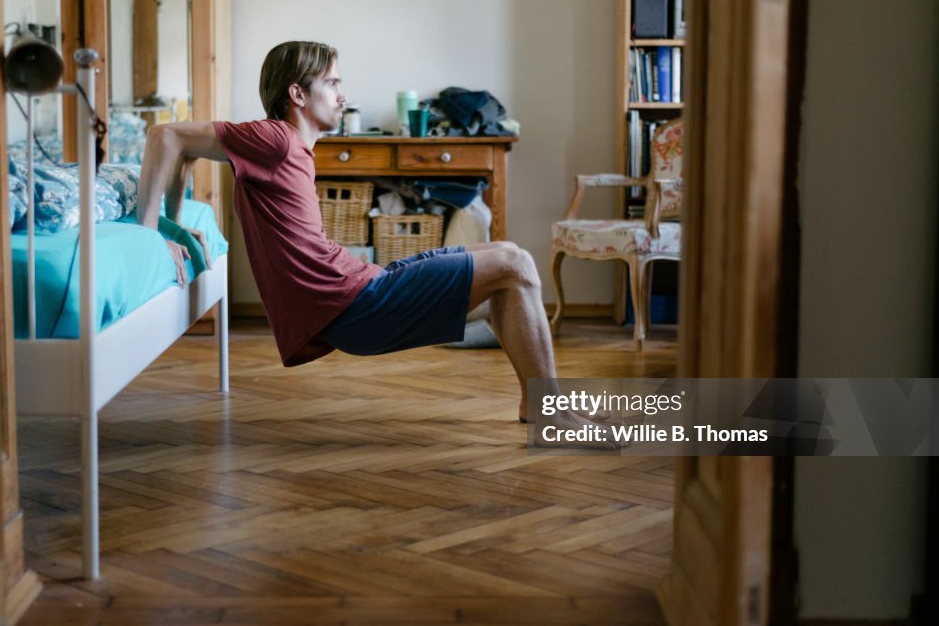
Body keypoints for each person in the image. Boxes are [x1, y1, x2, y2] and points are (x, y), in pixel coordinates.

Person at [135, 40, 622, 447]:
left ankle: (537, 405)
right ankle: (552, 414)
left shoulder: (284, 146)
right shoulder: (277, 138)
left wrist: (175, 224)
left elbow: (183, 149)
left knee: (509, 271)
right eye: (333, 82)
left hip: (363, 285)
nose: (343, 94)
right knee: (515, 261)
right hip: (353, 304)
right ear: (298, 93)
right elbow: (166, 135)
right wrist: (154, 231)